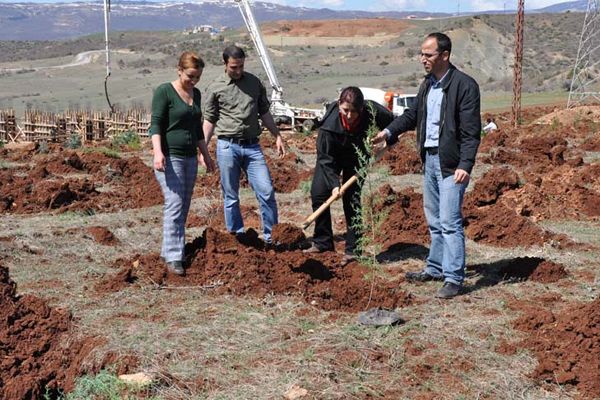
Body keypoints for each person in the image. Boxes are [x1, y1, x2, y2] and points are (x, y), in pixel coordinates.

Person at [373, 32, 481, 299]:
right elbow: (412, 116)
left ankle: (454, 277)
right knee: (434, 219)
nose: (423, 59)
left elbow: (471, 131)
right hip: (430, 159)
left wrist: (465, 164)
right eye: (421, 53)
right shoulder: (428, 85)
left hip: (452, 164)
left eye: (428, 54)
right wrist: (388, 132)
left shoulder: (464, 86)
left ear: (445, 55)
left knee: (450, 221)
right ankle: (434, 268)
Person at [203, 45, 286, 244]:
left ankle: (271, 237)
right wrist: (203, 148)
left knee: (266, 191)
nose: (238, 71)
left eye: (241, 66)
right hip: (227, 146)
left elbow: (264, 112)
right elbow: (209, 119)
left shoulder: (254, 83)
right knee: (230, 195)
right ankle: (237, 237)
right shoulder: (216, 87)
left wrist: (277, 135)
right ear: (225, 64)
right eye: (233, 67)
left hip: (252, 147)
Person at [304, 87, 394, 266]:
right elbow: (325, 159)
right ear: (339, 105)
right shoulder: (328, 127)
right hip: (333, 156)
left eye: (354, 111)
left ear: (362, 108)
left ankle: (354, 250)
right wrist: (334, 185)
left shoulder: (372, 111)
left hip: (357, 156)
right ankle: (323, 242)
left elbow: (395, 124)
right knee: (319, 193)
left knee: (352, 201)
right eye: (346, 110)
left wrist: (387, 141)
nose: (350, 115)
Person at [149, 51, 215, 276]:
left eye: (197, 77)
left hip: (189, 158)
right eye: (190, 76)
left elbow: (197, 129)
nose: (194, 81)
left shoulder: (195, 94)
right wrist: (158, 153)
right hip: (171, 156)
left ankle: (169, 250)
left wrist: (205, 155)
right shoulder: (164, 91)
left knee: (183, 205)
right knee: (174, 203)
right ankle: (175, 257)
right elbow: (156, 124)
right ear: (179, 70)